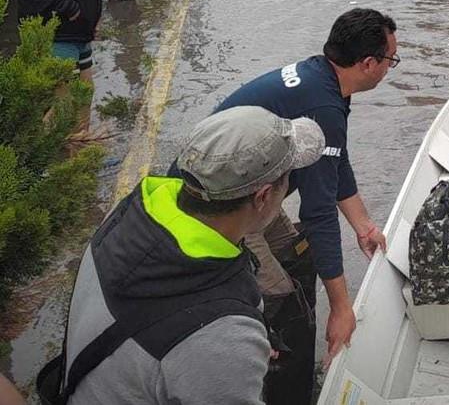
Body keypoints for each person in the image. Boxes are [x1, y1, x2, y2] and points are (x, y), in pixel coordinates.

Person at [170, 8, 396, 404]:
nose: (390, 68)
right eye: (391, 60)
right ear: (368, 64)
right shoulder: (323, 105)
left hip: (255, 194)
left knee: (298, 254)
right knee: (278, 297)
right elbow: (319, 212)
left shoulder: (322, 80)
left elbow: (334, 161)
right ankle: (275, 387)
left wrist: (363, 225)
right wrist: (341, 308)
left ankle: (298, 366)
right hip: (219, 207)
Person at [44, 106, 325, 405]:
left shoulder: (129, 214)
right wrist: (230, 358)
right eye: (287, 178)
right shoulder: (224, 338)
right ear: (263, 196)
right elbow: (210, 345)